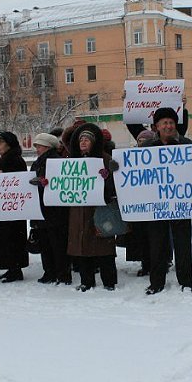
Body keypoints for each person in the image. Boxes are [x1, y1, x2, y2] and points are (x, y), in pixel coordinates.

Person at [139, 108, 192, 294]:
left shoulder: (187, 145)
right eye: (165, 122)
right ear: (157, 126)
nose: (169, 126)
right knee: (157, 246)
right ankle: (156, 283)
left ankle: (186, 282)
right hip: (156, 205)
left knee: (183, 245)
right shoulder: (146, 147)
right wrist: (117, 167)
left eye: (171, 122)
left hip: (181, 204)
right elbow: (133, 170)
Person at [67, 123, 118, 292]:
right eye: (81, 139)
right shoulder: (71, 162)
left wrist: (108, 178)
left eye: (87, 139)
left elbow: (115, 187)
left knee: (104, 246)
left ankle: (109, 281)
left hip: (100, 210)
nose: (83, 142)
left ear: (94, 142)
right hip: (79, 211)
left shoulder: (105, 159)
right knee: (82, 247)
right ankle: (86, 281)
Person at [29, 133, 71, 285]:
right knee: (45, 244)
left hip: (55, 211)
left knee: (57, 244)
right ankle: (50, 272)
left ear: (47, 147)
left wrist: (47, 183)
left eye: (39, 146)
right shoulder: (37, 163)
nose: (37, 149)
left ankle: (62, 274)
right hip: (42, 209)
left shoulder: (57, 162)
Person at [0, 132, 29, 283]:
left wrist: (5, 174)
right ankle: (8, 266)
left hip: (14, 209)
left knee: (13, 238)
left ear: (9, 144)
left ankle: (15, 269)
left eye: (0, 143)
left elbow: (20, 181)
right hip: (1, 207)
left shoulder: (16, 160)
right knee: (2, 239)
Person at [124, 129, 156, 278]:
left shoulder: (158, 156)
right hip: (138, 206)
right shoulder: (129, 157)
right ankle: (145, 264)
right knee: (141, 238)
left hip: (155, 204)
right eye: (140, 141)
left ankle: (157, 264)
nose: (142, 144)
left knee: (155, 238)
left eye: (145, 141)